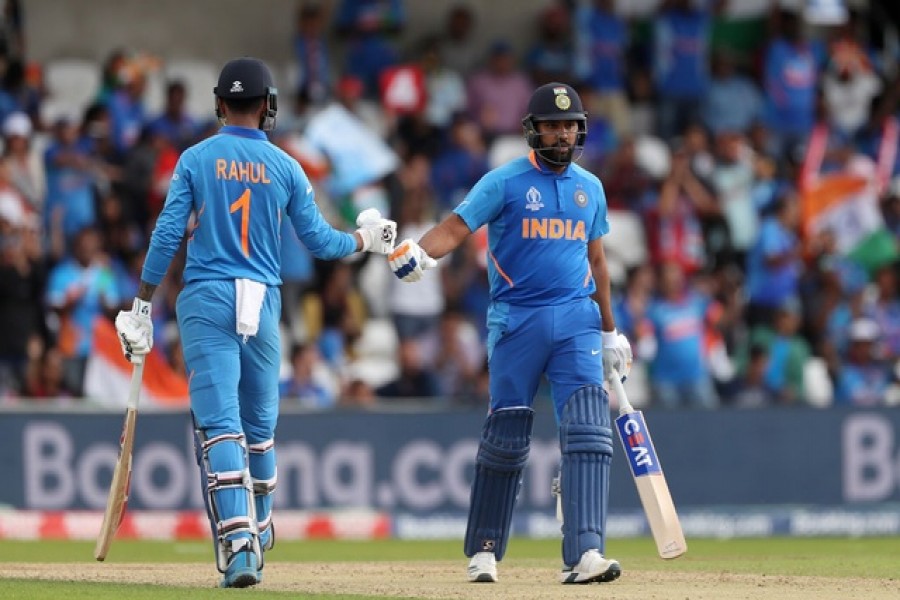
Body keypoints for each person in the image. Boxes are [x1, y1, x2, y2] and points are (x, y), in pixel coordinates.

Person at [113, 57, 396, 588]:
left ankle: (241, 546)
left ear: (220, 104)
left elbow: (167, 233)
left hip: (205, 297)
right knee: (260, 431)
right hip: (262, 301)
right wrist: (368, 241)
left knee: (221, 425)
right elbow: (321, 242)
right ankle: (260, 526)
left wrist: (143, 304)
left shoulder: (196, 158)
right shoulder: (288, 167)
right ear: (267, 106)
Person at [388, 82, 632, 585]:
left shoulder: (591, 187)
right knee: (506, 439)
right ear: (533, 130)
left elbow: (599, 262)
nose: (562, 134)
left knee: (588, 431)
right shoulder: (504, 181)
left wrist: (610, 332)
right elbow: (456, 227)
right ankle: (484, 549)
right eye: (553, 125)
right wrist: (420, 253)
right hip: (516, 320)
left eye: (570, 126)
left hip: (575, 321)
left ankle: (586, 551)